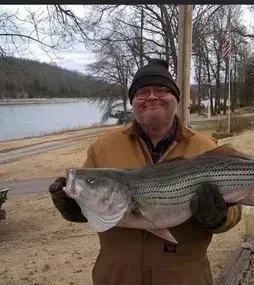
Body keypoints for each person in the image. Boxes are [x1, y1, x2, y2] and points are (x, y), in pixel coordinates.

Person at [49, 58, 242, 285]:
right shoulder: (102, 148)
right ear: (133, 102)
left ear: (176, 99)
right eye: (142, 92)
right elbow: (96, 205)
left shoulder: (207, 148)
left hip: (185, 277)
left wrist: (218, 218)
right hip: (117, 276)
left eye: (161, 90)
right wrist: (75, 209)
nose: (151, 97)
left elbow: (237, 209)